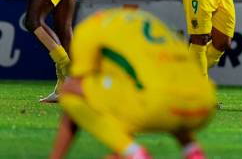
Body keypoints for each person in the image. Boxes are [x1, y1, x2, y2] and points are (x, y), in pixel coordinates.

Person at [48, 8, 216, 159]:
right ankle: (192, 150)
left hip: (154, 105)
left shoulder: (86, 30)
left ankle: (132, 152)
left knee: (71, 90)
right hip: (203, 104)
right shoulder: (147, 21)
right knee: (162, 87)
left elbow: (78, 82)